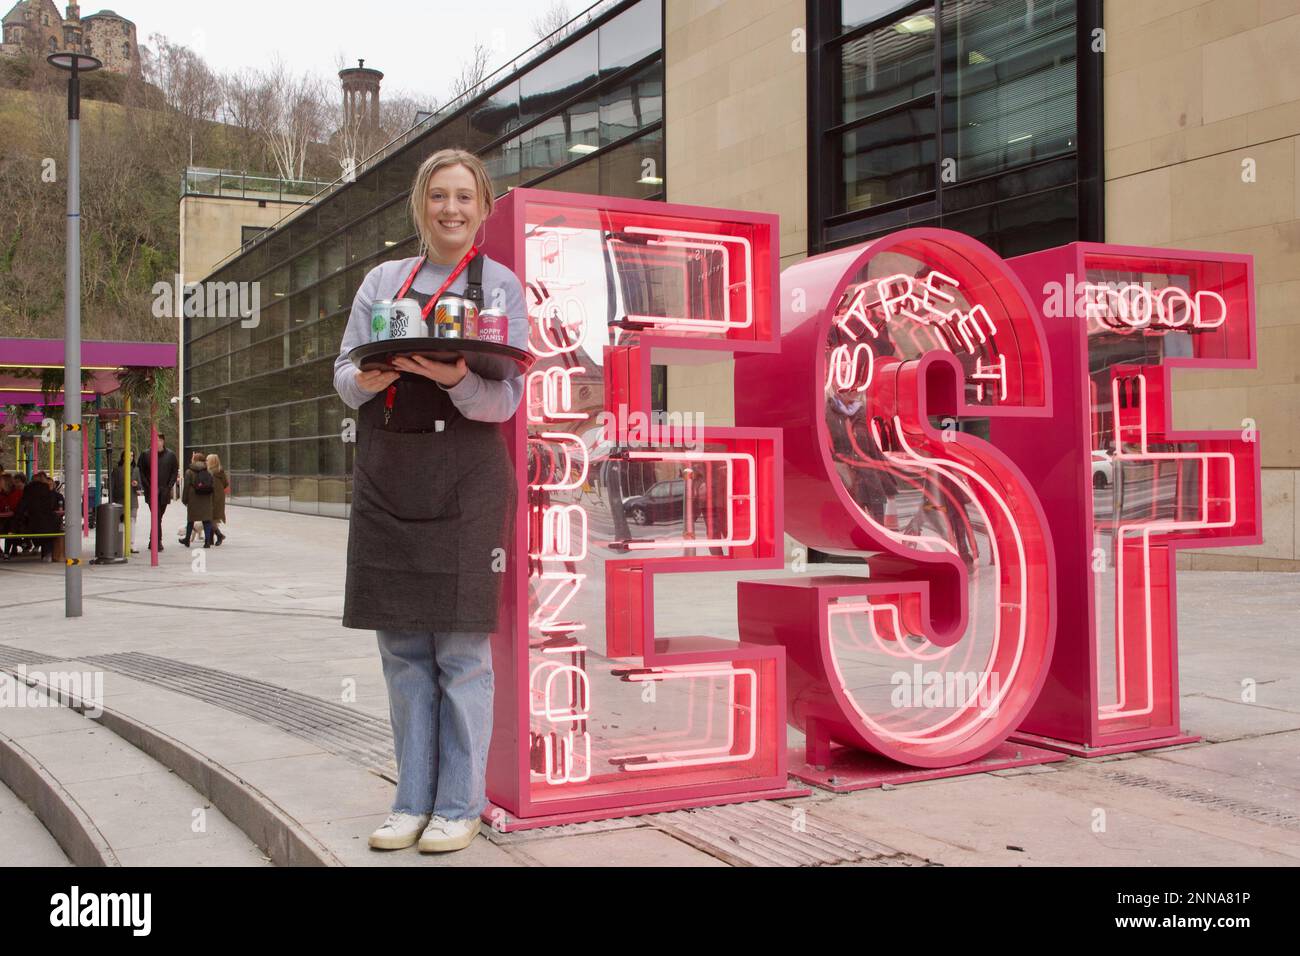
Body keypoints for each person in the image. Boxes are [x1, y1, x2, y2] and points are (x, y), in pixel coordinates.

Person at [332, 148, 527, 855]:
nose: (451, 209)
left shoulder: (499, 286)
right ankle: (410, 799)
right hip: (389, 476)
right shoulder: (384, 282)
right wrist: (378, 373)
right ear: (421, 206)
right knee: (404, 649)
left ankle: (458, 805)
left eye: (464, 198)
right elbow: (342, 377)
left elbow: (508, 395)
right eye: (438, 197)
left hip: (469, 479)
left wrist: (453, 378)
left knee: (463, 651)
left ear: (482, 208)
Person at [137, 434, 179, 552]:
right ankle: (157, 541)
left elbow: (174, 472)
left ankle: (153, 539)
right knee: (156, 515)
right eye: (155, 440)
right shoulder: (145, 455)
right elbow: (142, 472)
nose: (158, 442)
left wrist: (169, 486)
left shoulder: (170, 455)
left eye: (160, 440)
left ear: (163, 441)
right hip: (151, 491)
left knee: (158, 516)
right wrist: (148, 486)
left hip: (164, 491)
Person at [14, 471, 59, 562]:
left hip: (33, 522)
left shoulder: (28, 489)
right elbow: (52, 505)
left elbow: (22, 505)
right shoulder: (47, 490)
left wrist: (19, 515)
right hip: (48, 522)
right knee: (48, 533)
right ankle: (47, 554)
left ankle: (31, 546)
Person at [180, 452, 215, 547]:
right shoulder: (209, 471)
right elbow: (212, 486)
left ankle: (187, 540)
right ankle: (207, 542)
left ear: (194, 460)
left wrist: (184, 499)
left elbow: (186, 486)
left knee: (191, 519)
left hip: (193, 498)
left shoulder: (189, 471)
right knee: (206, 520)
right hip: (206, 498)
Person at [110, 451, 142, 553]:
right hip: (120, 499)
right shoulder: (117, 470)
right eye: (128, 455)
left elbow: (140, 486)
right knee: (121, 522)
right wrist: (112, 500)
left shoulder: (136, 470)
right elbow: (112, 485)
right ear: (123, 457)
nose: (131, 457)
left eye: (132, 455)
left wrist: (136, 484)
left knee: (132, 521)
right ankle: (120, 542)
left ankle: (132, 544)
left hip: (132, 499)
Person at [206, 453, 229, 546]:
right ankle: (211, 539)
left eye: (207, 460)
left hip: (214, 497)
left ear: (211, 461)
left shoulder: (209, 472)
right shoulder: (221, 471)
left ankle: (219, 535)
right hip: (219, 496)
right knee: (212, 517)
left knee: (210, 517)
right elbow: (225, 483)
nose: (206, 461)